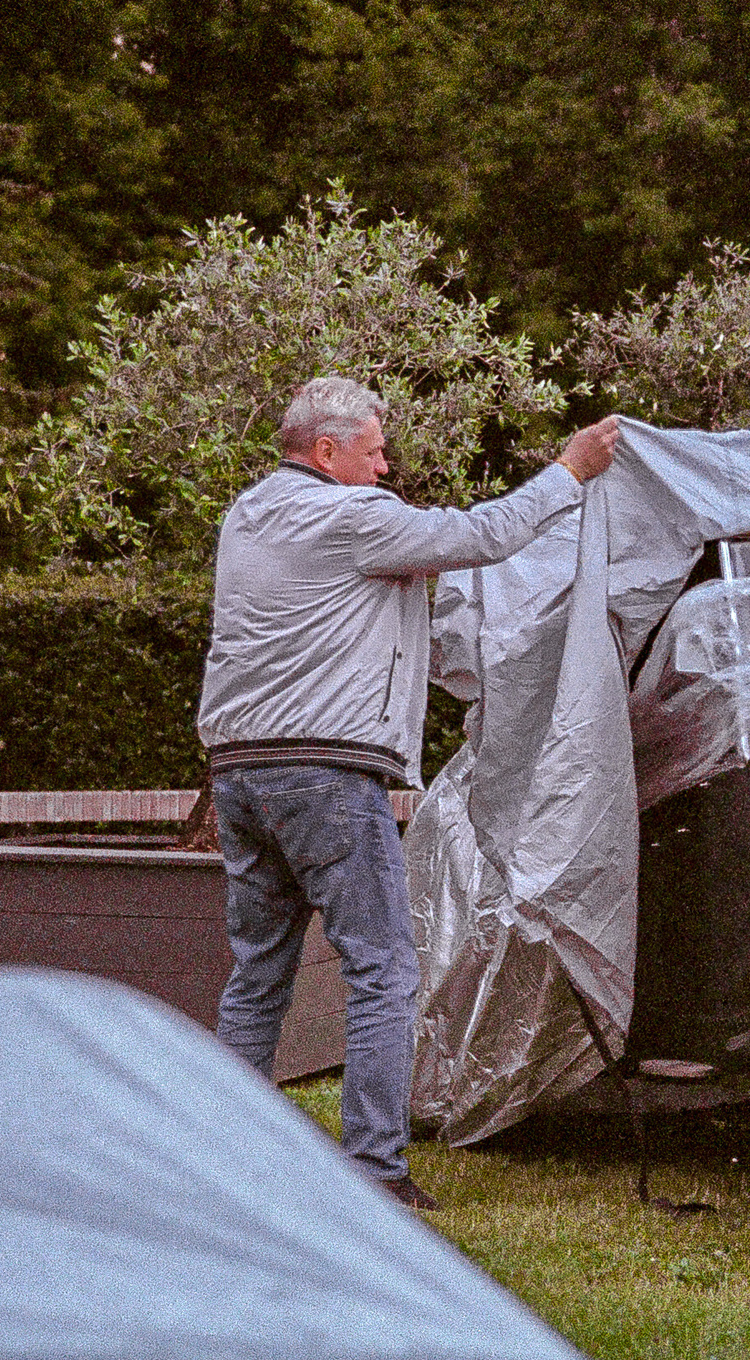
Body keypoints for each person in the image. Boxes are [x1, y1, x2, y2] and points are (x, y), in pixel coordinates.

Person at [196, 376, 621, 1209]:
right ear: (326, 450)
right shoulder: (353, 518)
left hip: (239, 773)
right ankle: (377, 1171)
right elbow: (483, 534)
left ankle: (220, 1161)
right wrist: (570, 470)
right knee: (384, 968)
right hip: (323, 773)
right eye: (375, 450)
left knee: (257, 973)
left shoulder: (246, 515)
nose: (388, 466)